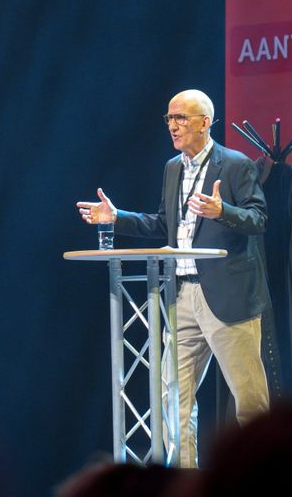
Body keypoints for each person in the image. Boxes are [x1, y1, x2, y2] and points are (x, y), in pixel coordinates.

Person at [76, 89, 271, 467]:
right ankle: (185, 484)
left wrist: (223, 210)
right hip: (180, 296)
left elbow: (258, 220)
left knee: (249, 401)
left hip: (227, 296)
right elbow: (165, 225)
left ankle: (260, 482)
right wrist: (118, 217)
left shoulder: (235, 165)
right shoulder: (172, 168)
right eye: (169, 118)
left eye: (181, 118)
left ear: (204, 122)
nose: (173, 125)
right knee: (172, 395)